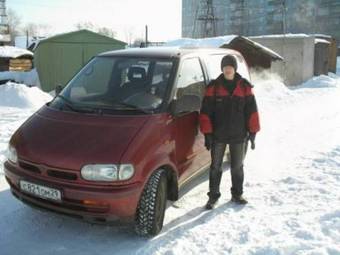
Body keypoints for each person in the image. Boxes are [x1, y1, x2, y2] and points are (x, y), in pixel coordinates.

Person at [199, 54, 260, 209]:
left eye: (230, 67)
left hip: (239, 135)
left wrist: (252, 133)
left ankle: (237, 194)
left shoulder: (245, 87)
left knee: (237, 167)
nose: (227, 69)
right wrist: (207, 133)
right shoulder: (213, 87)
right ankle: (213, 196)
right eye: (225, 67)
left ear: (234, 68)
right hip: (219, 135)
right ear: (222, 69)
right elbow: (205, 112)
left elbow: (252, 111)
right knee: (215, 167)